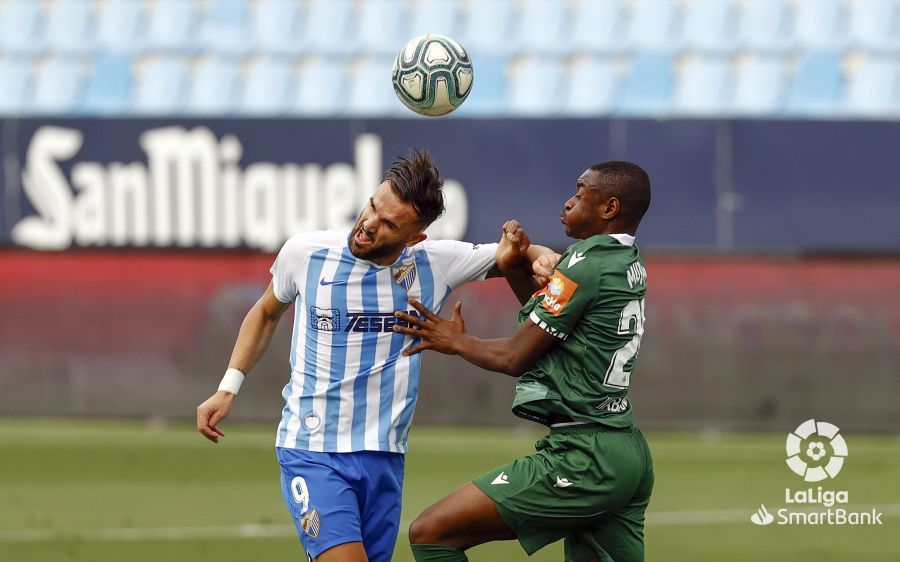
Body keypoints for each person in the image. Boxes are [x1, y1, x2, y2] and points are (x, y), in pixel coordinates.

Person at [195, 149, 552, 562]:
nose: (367, 225)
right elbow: (265, 313)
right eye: (371, 207)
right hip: (313, 448)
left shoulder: (434, 264)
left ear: (414, 238)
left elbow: (514, 251)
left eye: (388, 224)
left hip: (385, 455)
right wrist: (227, 387)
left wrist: (541, 256)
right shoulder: (306, 253)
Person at [393, 160, 655, 562]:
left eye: (580, 193)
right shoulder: (626, 261)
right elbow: (551, 325)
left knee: (431, 533)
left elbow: (517, 355)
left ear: (609, 208)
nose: (568, 203)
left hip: (585, 456)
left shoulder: (587, 262)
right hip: (624, 449)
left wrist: (457, 341)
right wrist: (516, 266)